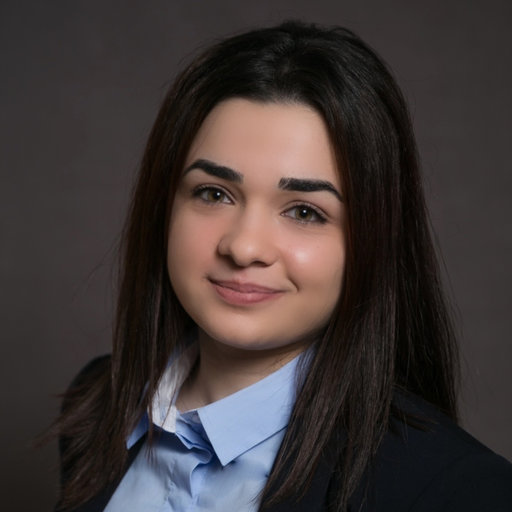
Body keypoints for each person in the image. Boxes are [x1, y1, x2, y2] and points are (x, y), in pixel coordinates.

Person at [53, 20, 512, 512]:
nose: (245, 247)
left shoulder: (457, 489)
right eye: (213, 193)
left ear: (374, 242)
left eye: (304, 211)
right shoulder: (99, 403)